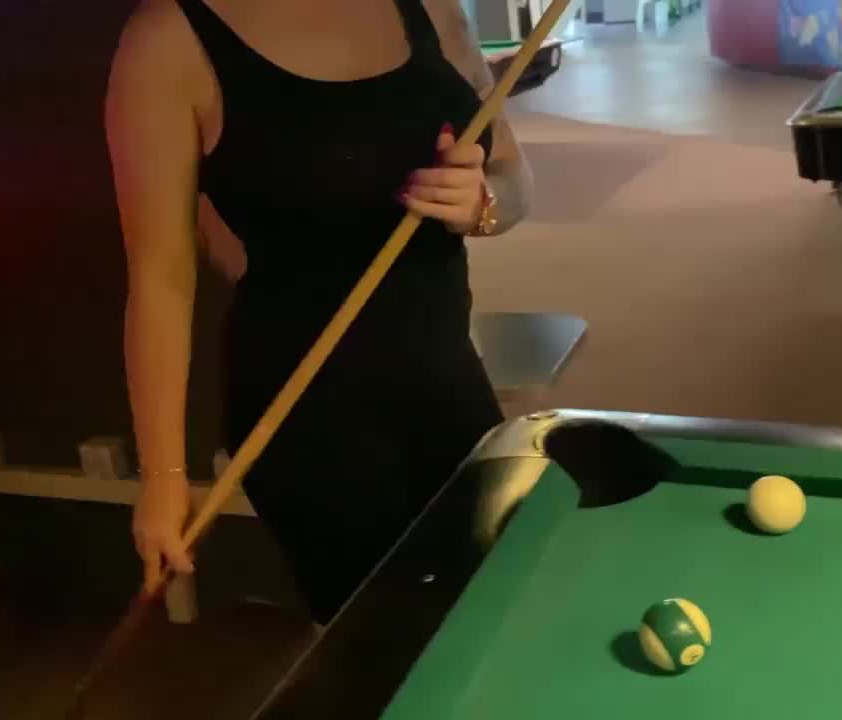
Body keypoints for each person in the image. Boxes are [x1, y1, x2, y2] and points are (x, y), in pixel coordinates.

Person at [104, 0, 534, 628]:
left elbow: (514, 179)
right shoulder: (168, 39)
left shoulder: (433, 9)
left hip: (447, 376)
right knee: (382, 635)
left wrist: (483, 205)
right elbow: (160, 279)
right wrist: (164, 480)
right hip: (307, 410)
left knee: (493, 599)